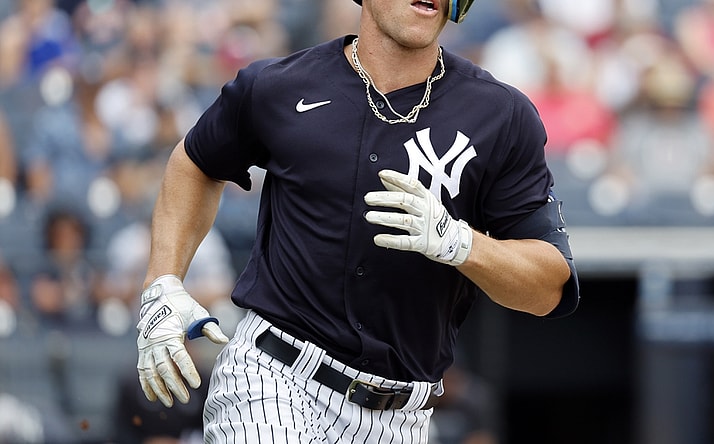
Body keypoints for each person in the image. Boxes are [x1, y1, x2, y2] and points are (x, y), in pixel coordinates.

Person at [135, 0, 580, 442]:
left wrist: (462, 243)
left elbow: (549, 287)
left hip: (404, 415)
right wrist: (163, 280)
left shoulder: (501, 115)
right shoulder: (279, 85)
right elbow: (196, 162)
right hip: (275, 378)